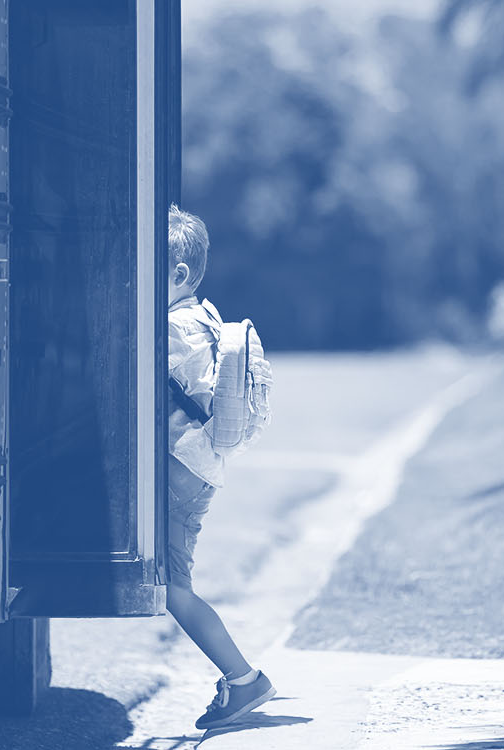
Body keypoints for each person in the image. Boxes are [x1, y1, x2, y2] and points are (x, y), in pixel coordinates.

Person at [165, 204, 275, 730]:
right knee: (171, 582)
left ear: (177, 274)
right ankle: (241, 678)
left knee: (174, 588)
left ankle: (243, 680)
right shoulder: (202, 316)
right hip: (199, 465)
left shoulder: (173, 330)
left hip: (183, 467)